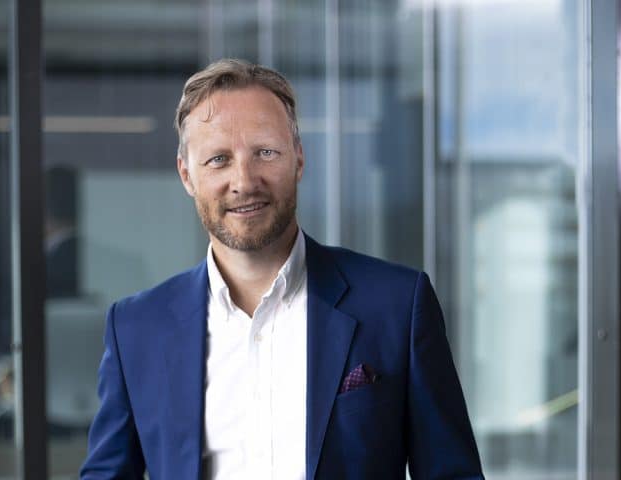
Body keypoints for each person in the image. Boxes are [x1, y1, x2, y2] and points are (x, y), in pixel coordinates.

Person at [81, 59, 484, 479]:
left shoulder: (397, 305)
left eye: (265, 152)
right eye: (218, 159)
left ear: (299, 158)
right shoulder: (136, 328)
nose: (244, 181)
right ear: (187, 175)